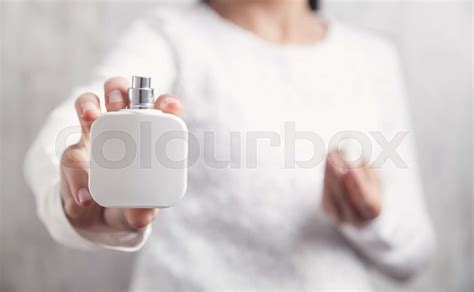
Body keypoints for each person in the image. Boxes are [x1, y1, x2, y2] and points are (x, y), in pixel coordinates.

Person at [24, 0, 435, 290]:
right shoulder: (170, 38)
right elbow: (62, 140)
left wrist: (370, 220)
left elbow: (414, 256)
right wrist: (77, 200)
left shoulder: (372, 60)